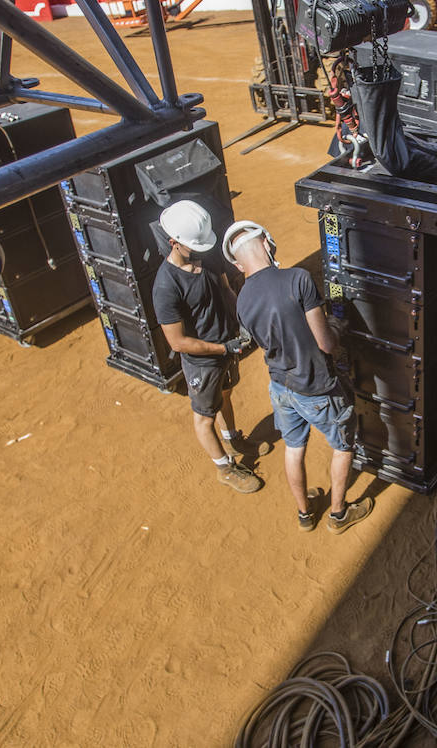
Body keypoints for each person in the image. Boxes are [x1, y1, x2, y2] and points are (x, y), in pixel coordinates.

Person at [225, 220, 374, 534]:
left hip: (281, 386)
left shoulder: (241, 300)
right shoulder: (298, 279)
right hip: (317, 386)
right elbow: (326, 345)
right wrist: (335, 325)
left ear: (239, 263)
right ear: (267, 242)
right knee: (344, 447)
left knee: (294, 449)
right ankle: (338, 515)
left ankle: (305, 514)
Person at [153, 200, 261, 494]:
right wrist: (223, 349)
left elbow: (226, 290)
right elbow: (178, 342)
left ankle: (232, 437)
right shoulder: (166, 286)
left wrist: (245, 320)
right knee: (204, 417)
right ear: (174, 243)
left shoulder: (207, 255)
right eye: (193, 247)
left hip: (227, 346)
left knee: (226, 393)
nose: (201, 251)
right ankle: (224, 467)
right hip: (204, 360)